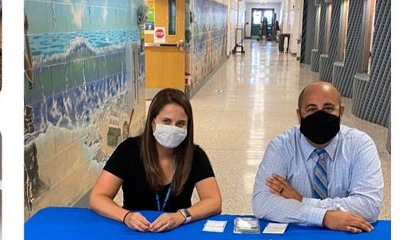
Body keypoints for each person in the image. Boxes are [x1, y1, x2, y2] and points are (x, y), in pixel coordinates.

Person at [251, 81, 382, 230]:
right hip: (296, 237)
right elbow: (262, 203)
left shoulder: (360, 145)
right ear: (299, 115)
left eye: (328, 108)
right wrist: (324, 217)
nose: (320, 115)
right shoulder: (281, 147)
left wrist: (302, 201)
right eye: (312, 109)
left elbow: (369, 205)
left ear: (341, 112)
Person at [89, 88, 222, 230]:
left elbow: (214, 201)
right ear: (153, 122)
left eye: (180, 124)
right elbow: (97, 197)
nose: (173, 128)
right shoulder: (129, 150)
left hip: (177, 230)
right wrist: (126, 216)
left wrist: (181, 216)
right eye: (166, 121)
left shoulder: (195, 155)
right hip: (135, 230)